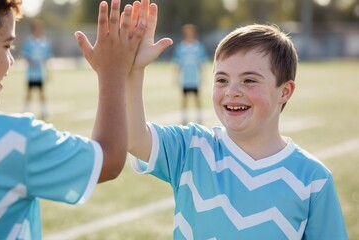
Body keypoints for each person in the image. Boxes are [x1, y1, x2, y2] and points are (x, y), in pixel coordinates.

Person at [0, 0, 147, 239]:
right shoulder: (12, 142)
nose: (11, 61)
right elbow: (109, 157)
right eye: (7, 46)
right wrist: (113, 71)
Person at [126, 15, 348, 239]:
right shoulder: (191, 148)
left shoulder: (313, 179)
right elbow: (133, 138)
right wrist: (133, 71)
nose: (231, 91)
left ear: (285, 91)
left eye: (249, 80)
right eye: (221, 80)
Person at [172, 24, 208, 125]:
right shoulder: (181, 47)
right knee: (184, 99)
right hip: (185, 78)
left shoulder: (199, 47)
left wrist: (203, 77)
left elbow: (202, 63)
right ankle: (184, 117)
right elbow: (177, 64)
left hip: (195, 77)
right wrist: (176, 77)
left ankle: (199, 117)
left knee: (197, 99)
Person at [21, 19, 53, 120]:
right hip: (31, 73)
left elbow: (47, 57)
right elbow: (25, 55)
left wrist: (48, 71)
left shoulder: (45, 42)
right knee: (29, 93)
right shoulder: (29, 41)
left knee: (42, 93)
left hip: (40, 73)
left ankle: (44, 112)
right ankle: (25, 112)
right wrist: (31, 62)